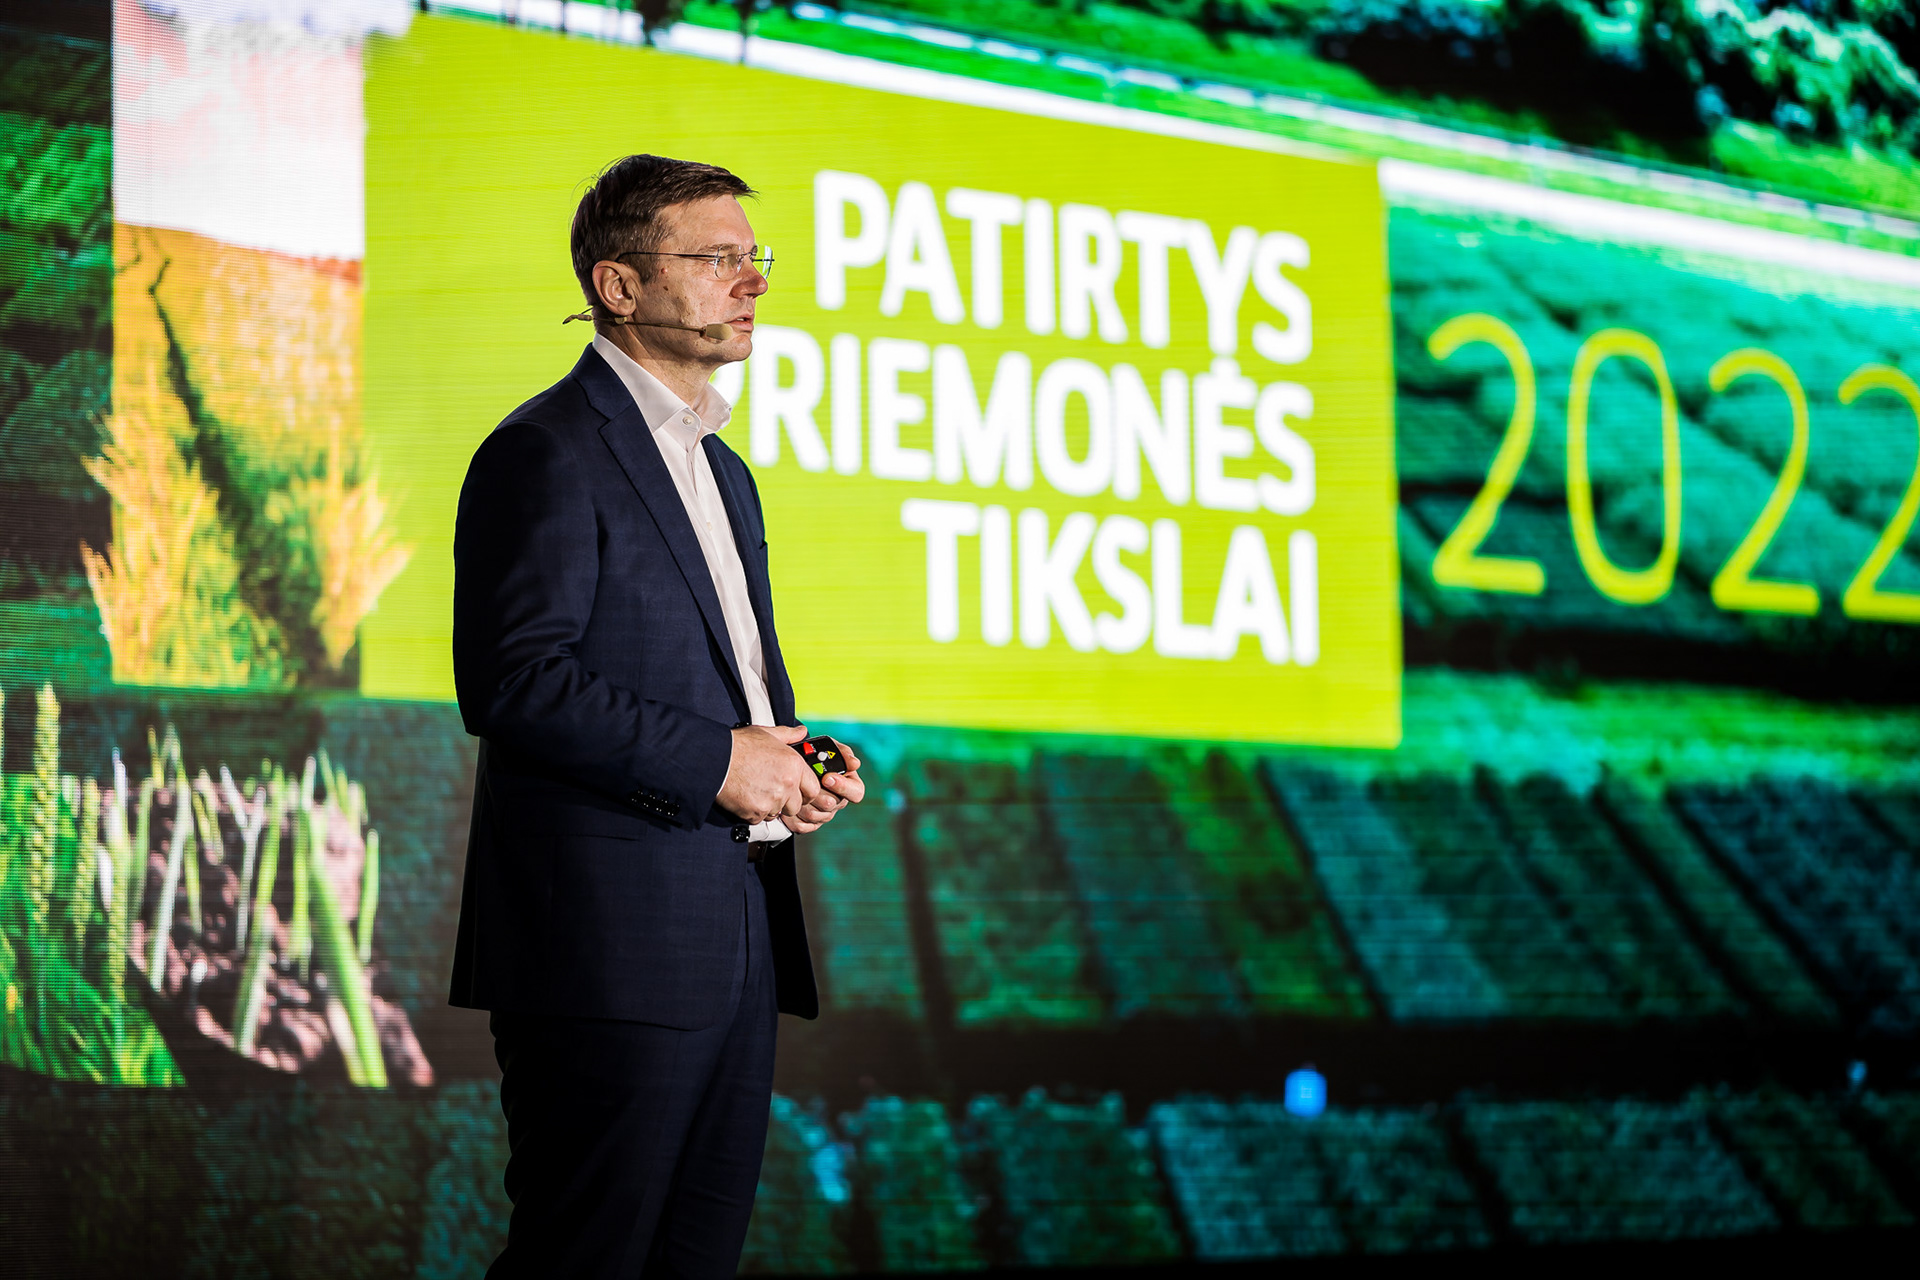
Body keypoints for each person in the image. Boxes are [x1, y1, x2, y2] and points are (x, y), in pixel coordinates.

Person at [449, 153, 864, 1279]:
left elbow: (727, 688)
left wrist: (796, 761)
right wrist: (719, 762)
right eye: (718, 258)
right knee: (586, 1257)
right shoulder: (543, 450)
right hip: (605, 944)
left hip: (733, 930)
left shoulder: (723, 471)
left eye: (753, 257)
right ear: (620, 285)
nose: (752, 281)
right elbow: (515, 680)